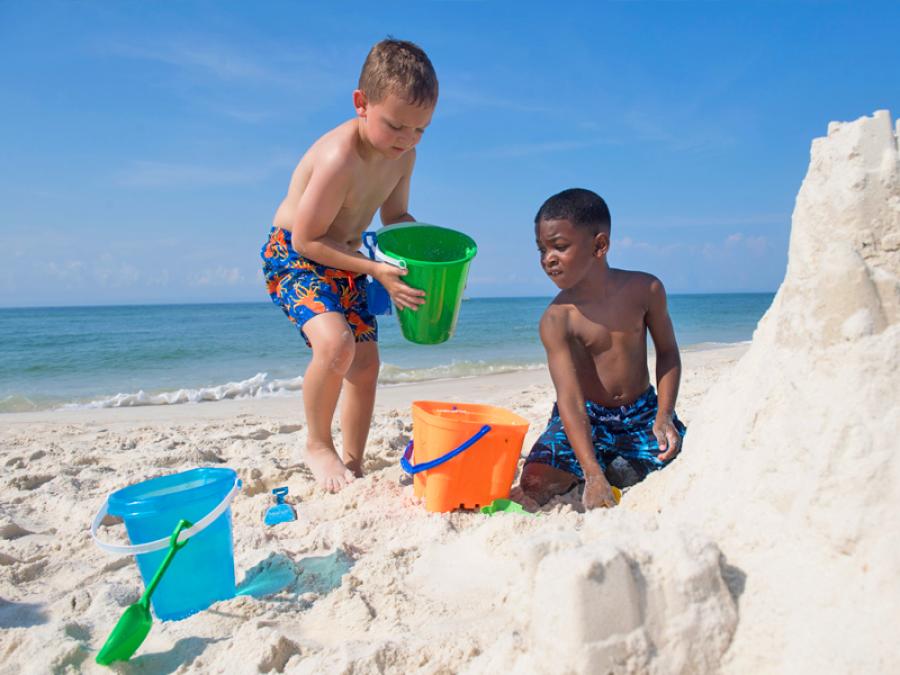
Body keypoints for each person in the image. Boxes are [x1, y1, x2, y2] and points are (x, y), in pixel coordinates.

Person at [261, 39, 436, 492]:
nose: (406, 140)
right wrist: (374, 269)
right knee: (337, 346)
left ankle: (354, 462)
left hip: (348, 261)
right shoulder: (340, 157)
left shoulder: (404, 157)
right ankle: (318, 445)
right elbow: (306, 237)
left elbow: (394, 216)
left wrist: (418, 249)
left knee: (366, 364)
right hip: (295, 255)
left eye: (419, 131)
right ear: (362, 103)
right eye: (396, 125)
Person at [517, 188, 686, 510]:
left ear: (600, 245)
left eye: (560, 247)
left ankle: (616, 467)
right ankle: (599, 468)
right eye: (542, 249)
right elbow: (569, 398)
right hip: (588, 416)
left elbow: (667, 353)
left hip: (642, 412)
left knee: (675, 454)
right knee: (535, 480)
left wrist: (664, 415)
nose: (547, 259)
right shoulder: (557, 319)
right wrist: (592, 473)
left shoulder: (645, 289)